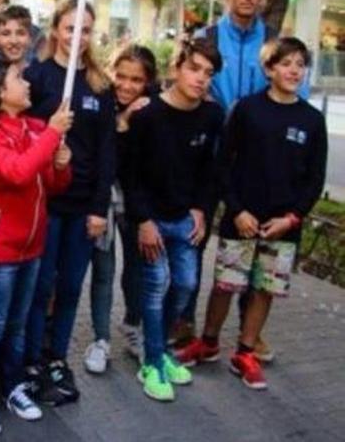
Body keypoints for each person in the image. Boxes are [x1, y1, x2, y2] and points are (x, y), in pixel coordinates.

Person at [175, 38, 327, 390]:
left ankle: (245, 351)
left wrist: (292, 217)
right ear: (269, 69)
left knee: (263, 289)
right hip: (240, 221)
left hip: (283, 226)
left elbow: (314, 180)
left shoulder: (312, 120)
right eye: (286, 63)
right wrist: (238, 209)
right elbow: (222, 164)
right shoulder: (247, 110)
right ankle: (209, 342)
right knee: (226, 285)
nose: (293, 70)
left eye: (300, 64)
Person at [0, 60, 73, 436]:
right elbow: (17, 172)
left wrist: (61, 164)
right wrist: (50, 139)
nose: (27, 84)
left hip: (31, 245)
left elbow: (51, 184)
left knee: (17, 324)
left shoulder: (35, 128)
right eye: (18, 78)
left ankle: (12, 387)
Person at [23, 0, 116, 406]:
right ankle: (30, 358)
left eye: (86, 30)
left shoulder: (100, 85)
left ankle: (57, 355)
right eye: (69, 27)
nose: (76, 37)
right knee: (40, 286)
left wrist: (99, 208)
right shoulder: (37, 76)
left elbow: (108, 151)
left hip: (82, 207)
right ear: (56, 28)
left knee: (70, 286)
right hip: (42, 203)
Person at [126, 38, 224, 402]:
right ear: (177, 68)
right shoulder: (148, 114)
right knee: (156, 287)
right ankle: (151, 362)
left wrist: (200, 208)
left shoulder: (213, 115)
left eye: (208, 73)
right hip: (151, 218)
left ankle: (163, 351)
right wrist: (143, 221)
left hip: (185, 218)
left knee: (185, 284)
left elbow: (211, 170)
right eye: (194, 68)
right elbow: (130, 174)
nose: (200, 79)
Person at [84, 45, 158, 373]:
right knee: (103, 269)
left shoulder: (154, 109)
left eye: (137, 80)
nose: (127, 86)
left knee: (137, 268)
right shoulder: (101, 100)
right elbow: (102, 149)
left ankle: (133, 326)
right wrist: (121, 120)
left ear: (149, 81)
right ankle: (100, 339)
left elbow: (141, 163)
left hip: (137, 202)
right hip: (103, 199)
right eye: (122, 77)